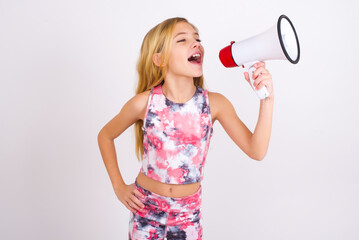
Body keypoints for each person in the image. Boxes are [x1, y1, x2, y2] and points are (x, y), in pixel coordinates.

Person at [97, 17, 274, 240]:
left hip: (187, 217)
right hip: (145, 214)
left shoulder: (215, 104)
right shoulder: (144, 103)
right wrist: (119, 187)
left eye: (197, 39)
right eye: (182, 40)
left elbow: (256, 150)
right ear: (159, 59)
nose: (196, 43)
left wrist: (266, 99)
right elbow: (105, 135)